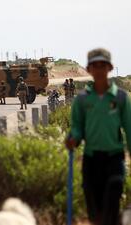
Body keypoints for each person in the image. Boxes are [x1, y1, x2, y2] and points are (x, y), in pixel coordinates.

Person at [66, 48, 131, 225]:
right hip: (91, 160)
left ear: (110, 67)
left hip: (114, 158)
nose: (99, 69)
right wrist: (74, 139)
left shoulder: (120, 97)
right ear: (89, 69)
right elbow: (78, 128)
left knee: (113, 192)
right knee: (95, 214)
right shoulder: (82, 100)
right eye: (95, 65)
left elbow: (129, 128)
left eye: (103, 65)